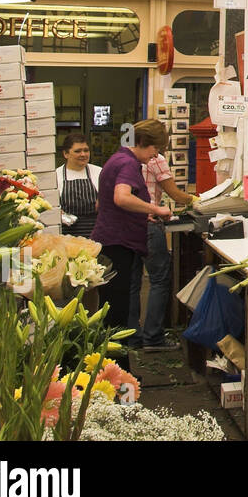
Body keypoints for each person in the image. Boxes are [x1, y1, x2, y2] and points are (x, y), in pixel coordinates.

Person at [91, 120, 173, 368]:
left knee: (114, 309)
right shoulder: (128, 163)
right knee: (117, 314)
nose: (155, 155)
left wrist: (140, 214)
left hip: (110, 242)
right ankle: (117, 375)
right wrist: (155, 208)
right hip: (118, 245)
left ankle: (115, 371)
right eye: (154, 149)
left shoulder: (116, 159)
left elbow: (103, 204)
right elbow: (121, 197)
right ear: (142, 142)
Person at [125, 154, 199, 351]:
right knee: (159, 280)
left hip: (131, 223)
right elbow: (175, 194)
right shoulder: (156, 159)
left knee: (133, 283)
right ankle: (153, 337)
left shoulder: (126, 160)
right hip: (150, 223)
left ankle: (131, 337)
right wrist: (198, 200)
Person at [55, 133, 101, 239]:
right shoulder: (56, 176)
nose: (83, 154)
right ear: (66, 154)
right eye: (77, 151)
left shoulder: (100, 172)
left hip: (95, 235)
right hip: (67, 236)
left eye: (86, 150)